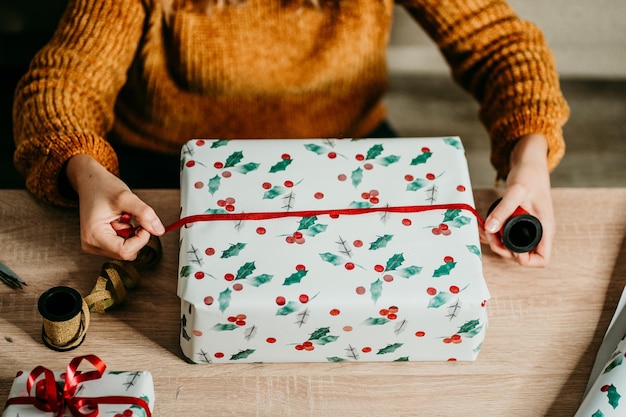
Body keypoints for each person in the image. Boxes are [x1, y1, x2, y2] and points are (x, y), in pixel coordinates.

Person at [12, 0, 569, 267]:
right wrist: (83, 170)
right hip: (162, 169)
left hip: (351, 151)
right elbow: (63, 82)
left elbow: (500, 46)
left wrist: (530, 153)